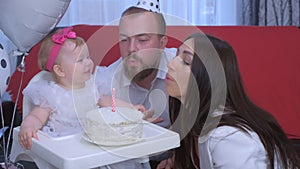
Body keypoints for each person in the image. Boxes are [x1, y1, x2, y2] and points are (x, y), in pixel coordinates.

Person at [157, 33, 300, 169]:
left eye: (186, 62)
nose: (170, 64)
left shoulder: (228, 138)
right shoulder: (190, 121)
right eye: (176, 55)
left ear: (209, 77)